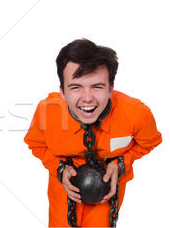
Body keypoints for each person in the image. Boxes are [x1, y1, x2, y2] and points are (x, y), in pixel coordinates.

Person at [24, 39, 162, 227]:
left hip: (107, 184)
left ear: (110, 89)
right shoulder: (47, 112)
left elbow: (148, 142)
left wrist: (121, 164)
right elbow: (36, 144)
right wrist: (59, 168)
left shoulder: (136, 115)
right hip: (64, 185)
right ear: (62, 92)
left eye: (97, 87)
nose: (87, 98)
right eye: (75, 87)